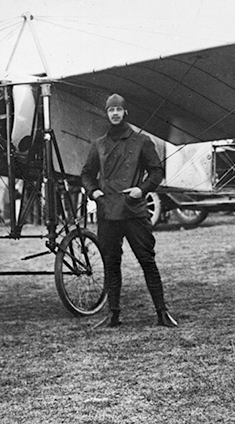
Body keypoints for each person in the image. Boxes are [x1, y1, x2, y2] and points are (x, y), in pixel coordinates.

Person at [80, 93, 177, 328]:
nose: (115, 114)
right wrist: (94, 192)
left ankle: (162, 312)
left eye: (118, 109)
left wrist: (141, 190)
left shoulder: (141, 141)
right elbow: (86, 174)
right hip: (108, 212)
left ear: (125, 112)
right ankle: (113, 314)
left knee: (147, 260)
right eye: (110, 110)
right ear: (107, 113)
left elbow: (156, 171)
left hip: (134, 211)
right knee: (111, 263)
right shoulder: (99, 144)